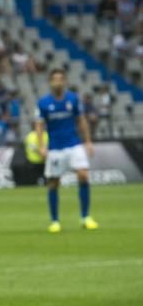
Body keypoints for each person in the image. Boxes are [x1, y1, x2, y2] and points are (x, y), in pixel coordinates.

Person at [35, 69, 98, 233]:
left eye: (61, 79)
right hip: (55, 147)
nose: (58, 82)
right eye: (55, 79)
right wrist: (41, 146)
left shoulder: (73, 99)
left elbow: (81, 120)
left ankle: (85, 217)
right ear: (50, 82)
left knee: (83, 175)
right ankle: (55, 221)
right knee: (53, 183)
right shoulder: (43, 103)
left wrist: (88, 141)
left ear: (65, 81)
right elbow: (39, 125)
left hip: (74, 144)